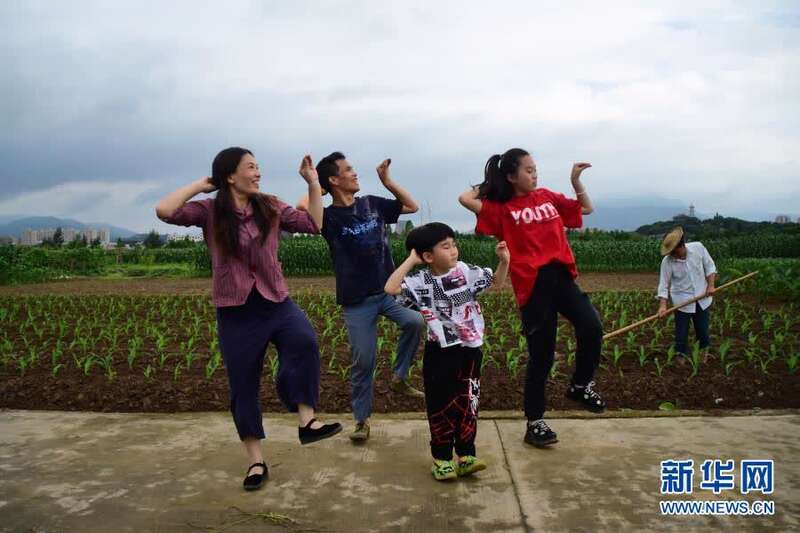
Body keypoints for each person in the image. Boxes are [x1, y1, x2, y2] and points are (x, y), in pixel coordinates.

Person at [156, 147, 341, 491]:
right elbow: (165, 210)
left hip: (276, 300)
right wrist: (201, 184)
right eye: (251, 168)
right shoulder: (210, 211)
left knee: (303, 341)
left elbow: (313, 224)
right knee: (243, 386)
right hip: (236, 310)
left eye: (259, 167)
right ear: (230, 175)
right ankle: (255, 460)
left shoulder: (269, 205)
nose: (258, 173)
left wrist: (313, 183)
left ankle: (306, 420)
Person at [458, 148, 606, 449]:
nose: (534, 174)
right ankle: (535, 421)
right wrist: (490, 181)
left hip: (562, 277)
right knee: (542, 356)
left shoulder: (549, 196)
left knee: (592, 326)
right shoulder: (502, 208)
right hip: (533, 286)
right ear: (512, 176)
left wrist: (576, 181)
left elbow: (586, 209)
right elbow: (465, 199)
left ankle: (580, 385)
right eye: (527, 170)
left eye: (535, 168)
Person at [297, 153, 425, 443]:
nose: (355, 173)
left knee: (415, 322)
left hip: (389, 291)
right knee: (363, 360)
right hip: (357, 301)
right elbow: (302, 208)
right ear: (333, 179)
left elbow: (412, 206)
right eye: (348, 170)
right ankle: (362, 420)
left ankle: (399, 377)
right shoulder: (327, 217)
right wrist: (315, 184)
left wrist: (387, 181)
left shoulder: (372, 203)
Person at [384, 222, 509, 480]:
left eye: (453, 244)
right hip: (440, 351)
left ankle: (466, 455)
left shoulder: (465, 271)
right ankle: (442, 459)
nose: (454, 250)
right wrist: (411, 260)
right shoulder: (421, 281)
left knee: (468, 401)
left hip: (471, 349)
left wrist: (504, 261)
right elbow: (391, 288)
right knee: (441, 403)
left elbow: (496, 283)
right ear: (428, 256)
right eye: (446, 246)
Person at [656, 227, 717, 359]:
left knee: (703, 331)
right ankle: (680, 358)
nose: (670, 254)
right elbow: (664, 284)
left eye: (672, 251)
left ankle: (703, 356)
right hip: (682, 302)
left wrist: (711, 286)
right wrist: (663, 306)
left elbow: (710, 266)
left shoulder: (698, 248)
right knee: (681, 334)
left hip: (702, 298)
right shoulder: (667, 262)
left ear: (681, 246)